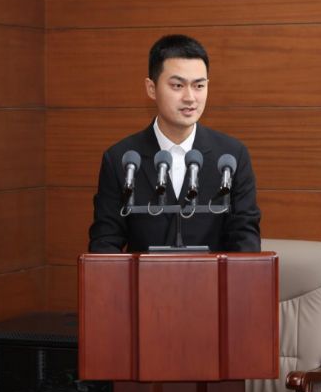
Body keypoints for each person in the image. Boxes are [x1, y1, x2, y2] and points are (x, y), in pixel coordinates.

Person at [88, 34, 261, 253]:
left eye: (199, 86)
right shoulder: (121, 159)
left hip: (212, 275)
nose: (190, 97)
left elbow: (245, 237)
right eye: (178, 85)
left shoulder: (231, 156)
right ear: (151, 88)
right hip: (144, 276)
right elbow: (105, 242)